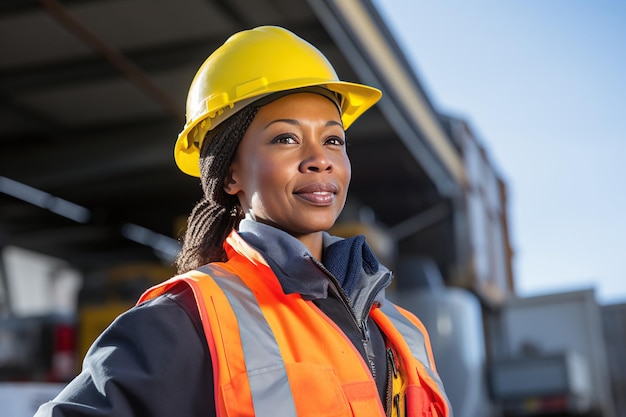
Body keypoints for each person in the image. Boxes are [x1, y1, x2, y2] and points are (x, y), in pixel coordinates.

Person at [35, 26, 451, 417]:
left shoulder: (403, 329)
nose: (320, 159)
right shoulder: (188, 318)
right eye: (285, 138)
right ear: (230, 173)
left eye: (333, 140)